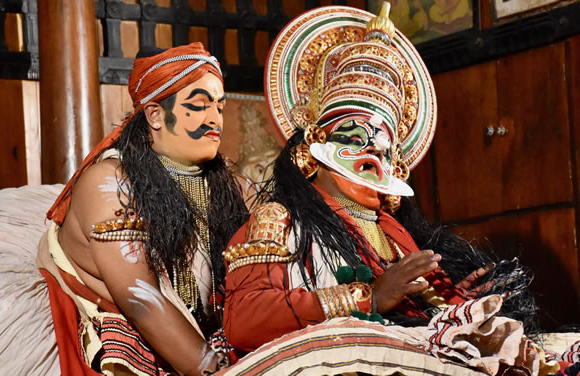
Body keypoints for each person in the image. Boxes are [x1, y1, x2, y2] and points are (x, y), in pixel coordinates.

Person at [222, 4, 547, 372]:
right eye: (357, 137)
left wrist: (462, 303)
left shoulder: (395, 234)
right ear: (315, 142)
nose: (374, 150)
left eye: (384, 146)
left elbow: (425, 323)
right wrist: (370, 296)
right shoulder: (278, 219)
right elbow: (243, 320)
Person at [38, 42, 249, 375]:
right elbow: (143, 302)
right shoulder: (111, 183)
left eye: (219, 108)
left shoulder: (224, 183)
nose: (215, 120)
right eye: (198, 106)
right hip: (134, 347)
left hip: (205, 338)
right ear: (154, 115)